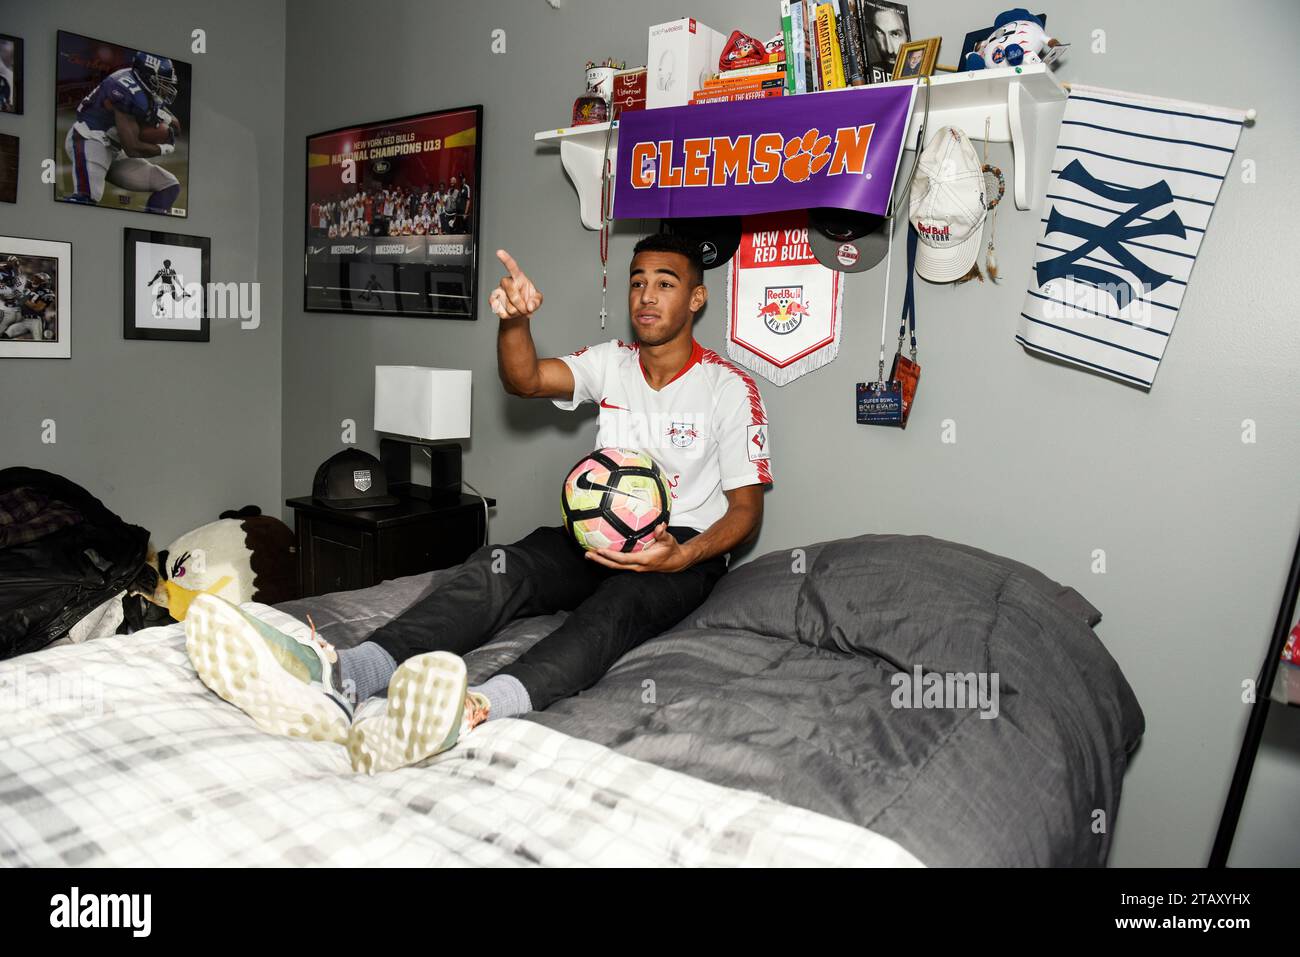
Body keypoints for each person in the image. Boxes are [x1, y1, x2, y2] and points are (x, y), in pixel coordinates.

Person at [184, 232, 773, 774]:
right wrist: (514, 323)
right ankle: (348, 675)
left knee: (611, 614)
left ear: (696, 298)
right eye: (637, 281)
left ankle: (475, 708)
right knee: (500, 566)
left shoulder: (727, 387)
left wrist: (681, 557)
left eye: (665, 284)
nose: (647, 296)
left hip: (676, 552)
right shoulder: (612, 360)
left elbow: (746, 512)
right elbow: (526, 380)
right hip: (590, 537)